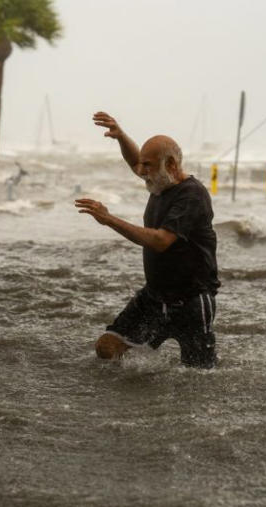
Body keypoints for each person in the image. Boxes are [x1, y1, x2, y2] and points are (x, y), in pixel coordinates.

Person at [75, 112, 220, 368]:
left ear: (172, 165)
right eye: (142, 166)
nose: (141, 172)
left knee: (199, 376)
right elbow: (135, 162)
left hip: (192, 301)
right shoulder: (159, 182)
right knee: (107, 348)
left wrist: (109, 219)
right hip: (154, 297)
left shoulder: (192, 195)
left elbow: (161, 240)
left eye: (148, 166)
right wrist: (120, 137)